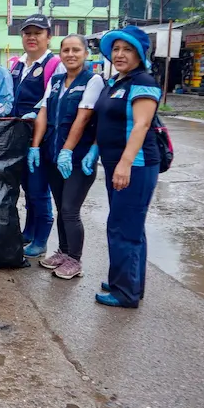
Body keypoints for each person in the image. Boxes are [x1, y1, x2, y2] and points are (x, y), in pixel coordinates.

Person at [84, 26, 161, 308]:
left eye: (127, 49)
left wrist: (125, 163)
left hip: (135, 164)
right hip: (116, 162)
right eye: (116, 49)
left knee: (122, 227)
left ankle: (124, 292)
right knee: (130, 226)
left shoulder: (144, 81)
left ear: (139, 54)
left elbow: (141, 124)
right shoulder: (117, 81)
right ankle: (130, 282)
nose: (119, 54)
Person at [28, 34, 104, 279]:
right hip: (52, 154)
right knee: (61, 207)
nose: (71, 54)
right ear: (60, 54)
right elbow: (43, 112)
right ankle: (63, 251)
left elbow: (83, 118)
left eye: (76, 50)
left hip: (78, 158)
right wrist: (36, 146)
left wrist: (67, 151)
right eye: (66, 50)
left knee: (71, 209)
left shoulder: (93, 81)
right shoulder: (57, 80)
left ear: (86, 53)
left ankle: (75, 260)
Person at [9, 15, 66, 258]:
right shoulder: (18, 64)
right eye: (27, 33)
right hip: (19, 136)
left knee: (39, 189)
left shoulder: (54, 65)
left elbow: (51, 101)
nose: (32, 38)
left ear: (48, 37)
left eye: (38, 33)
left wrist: (35, 115)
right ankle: (29, 231)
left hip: (41, 138)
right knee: (27, 188)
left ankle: (41, 238)